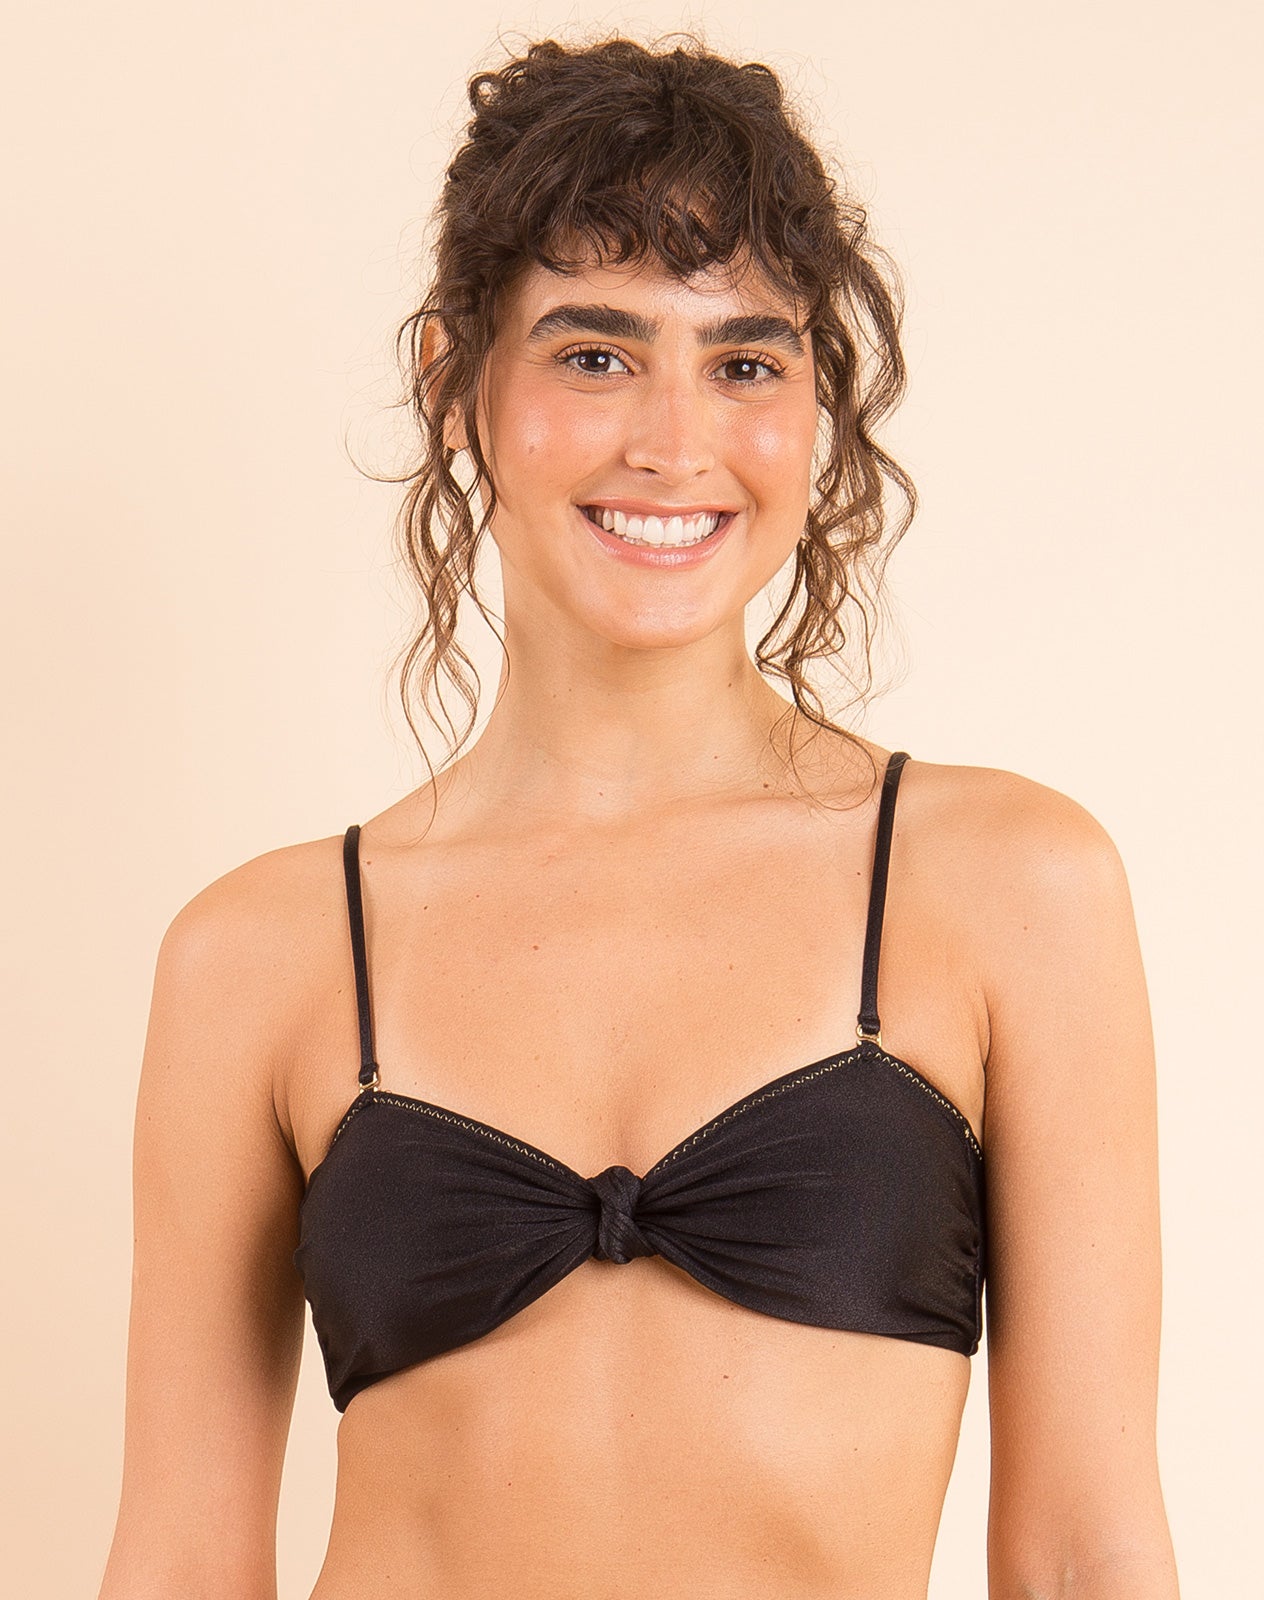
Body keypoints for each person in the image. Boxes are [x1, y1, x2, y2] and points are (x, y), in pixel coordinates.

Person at [97, 31, 1180, 1600]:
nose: (675, 445)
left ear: (815, 405)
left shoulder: (1007, 887)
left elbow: (1088, 1555)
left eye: (745, 363)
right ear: (456, 382)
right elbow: (180, 1562)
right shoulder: (258, 955)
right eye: (595, 355)